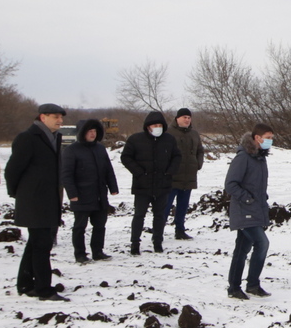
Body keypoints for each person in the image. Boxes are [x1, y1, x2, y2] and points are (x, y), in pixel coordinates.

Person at [5, 103, 67, 300]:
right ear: (42, 117)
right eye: (56, 117)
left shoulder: (55, 138)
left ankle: (25, 284)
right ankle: (43, 289)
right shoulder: (28, 138)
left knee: (35, 243)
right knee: (42, 244)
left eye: (61, 117)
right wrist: (20, 194)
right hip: (34, 200)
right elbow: (12, 170)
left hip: (49, 199)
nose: (60, 120)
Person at [224, 122, 275, 299]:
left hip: (256, 209)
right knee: (262, 244)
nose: (270, 141)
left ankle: (239, 287)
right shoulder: (243, 157)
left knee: (242, 248)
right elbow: (230, 184)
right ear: (257, 138)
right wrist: (247, 198)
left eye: (272, 138)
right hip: (244, 210)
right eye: (268, 138)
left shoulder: (260, 158)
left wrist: (262, 199)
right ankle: (249, 284)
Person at [121, 110, 180, 255]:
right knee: (139, 215)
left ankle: (158, 242)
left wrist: (169, 172)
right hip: (142, 185)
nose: (157, 127)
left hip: (162, 184)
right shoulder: (135, 139)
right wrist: (139, 172)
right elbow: (126, 157)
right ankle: (135, 244)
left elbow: (177, 156)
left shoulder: (169, 140)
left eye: (160, 125)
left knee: (159, 215)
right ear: (148, 126)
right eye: (154, 125)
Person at [60, 118, 119, 263]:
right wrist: (72, 194)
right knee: (80, 226)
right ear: (81, 133)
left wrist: (113, 187)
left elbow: (108, 170)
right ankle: (80, 254)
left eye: (94, 131)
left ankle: (98, 252)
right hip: (81, 195)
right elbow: (66, 175)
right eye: (89, 131)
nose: (92, 134)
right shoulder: (71, 150)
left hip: (99, 194)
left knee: (100, 225)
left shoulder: (100, 148)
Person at [164, 108, 205, 240]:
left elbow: (200, 150)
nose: (187, 120)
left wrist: (198, 164)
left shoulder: (194, 133)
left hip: (189, 176)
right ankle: (158, 231)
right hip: (172, 176)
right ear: (177, 118)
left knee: (183, 205)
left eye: (189, 117)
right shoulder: (169, 133)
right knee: (165, 205)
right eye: (184, 117)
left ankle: (180, 230)